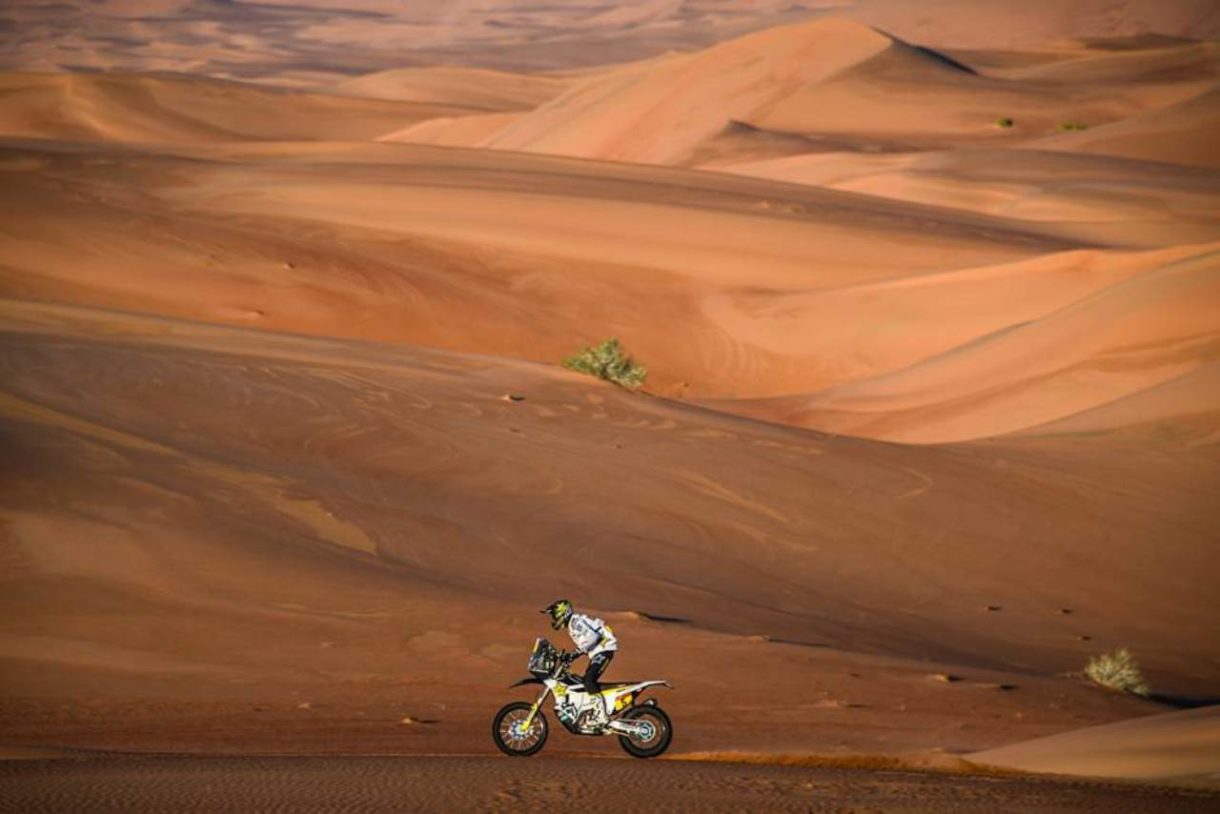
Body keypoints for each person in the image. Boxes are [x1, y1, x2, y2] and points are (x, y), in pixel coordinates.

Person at [540, 599, 618, 713]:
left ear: (562, 613)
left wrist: (575, 653)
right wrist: (571, 656)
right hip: (600, 651)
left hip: (604, 649)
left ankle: (601, 713)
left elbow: (593, 638)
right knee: (584, 682)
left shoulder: (575, 622)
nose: (554, 619)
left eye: (555, 616)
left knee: (589, 681)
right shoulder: (574, 623)